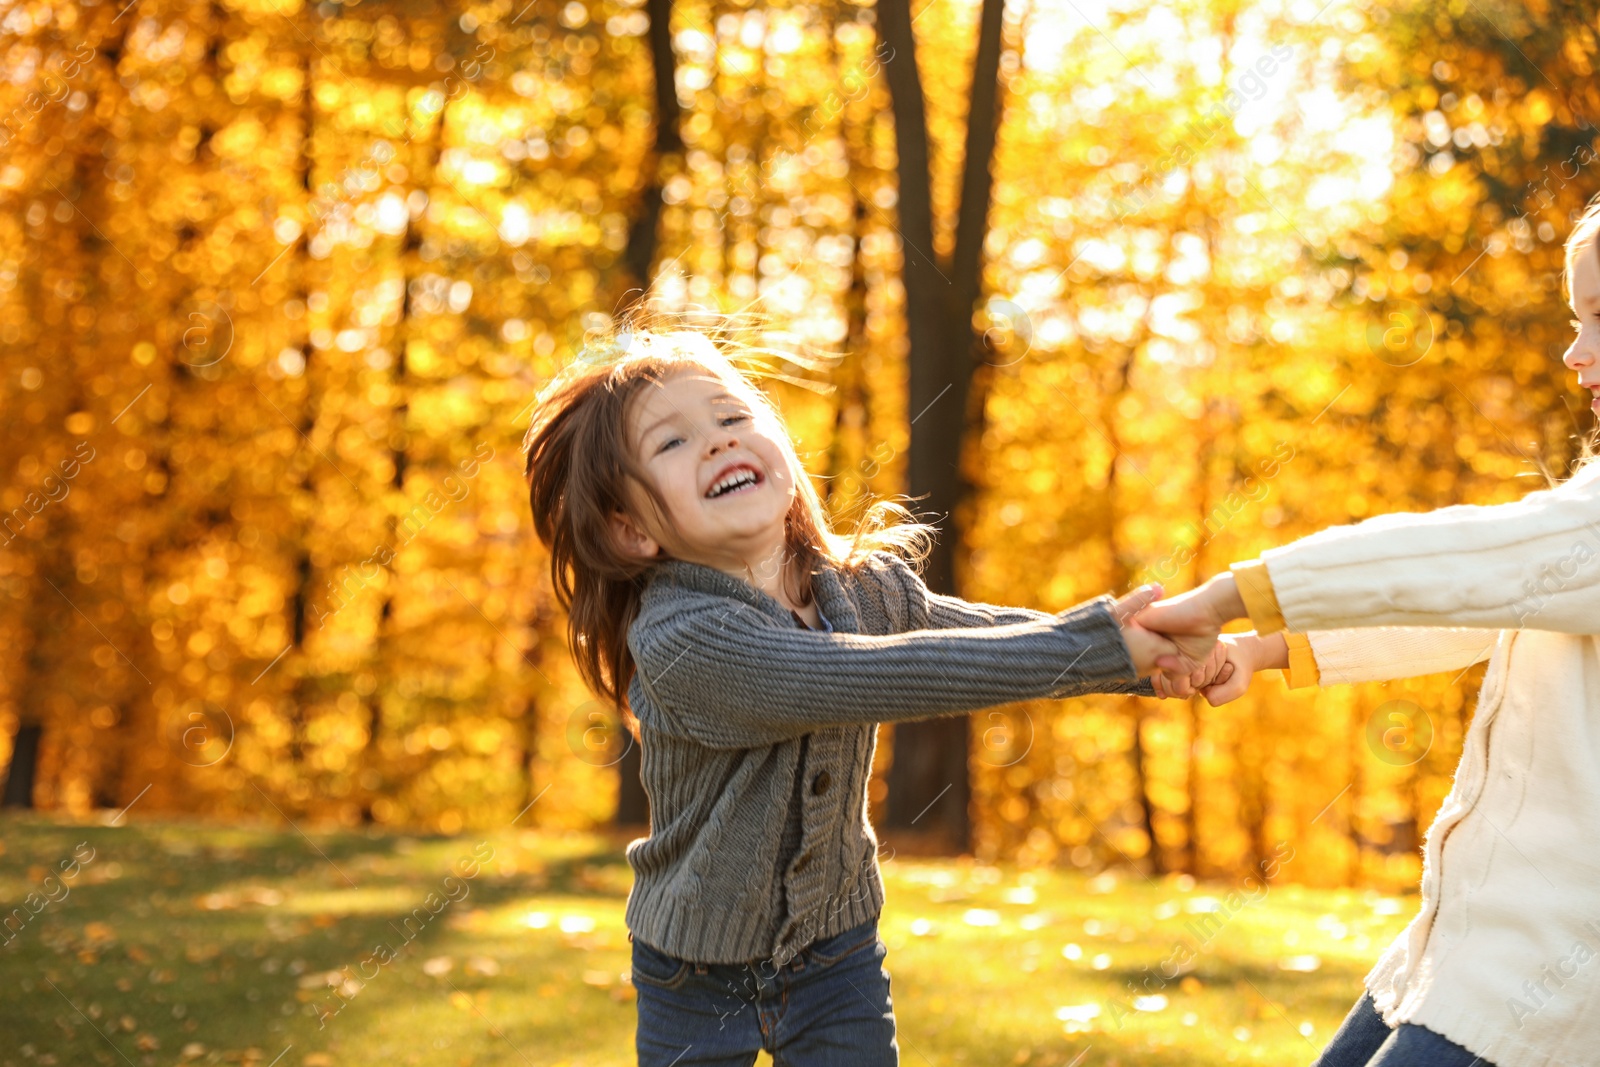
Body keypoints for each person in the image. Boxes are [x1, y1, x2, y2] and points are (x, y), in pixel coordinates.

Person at [522, 327, 1198, 1066]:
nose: (717, 442)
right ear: (632, 531)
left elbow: (994, 634)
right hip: (696, 966)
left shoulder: (864, 588)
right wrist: (1100, 644)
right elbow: (882, 672)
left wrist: (1149, 652)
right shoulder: (684, 637)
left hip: (835, 950)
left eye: (732, 417)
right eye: (672, 444)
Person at [1138, 199, 1600, 1067]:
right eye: (1577, 318)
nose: (1575, 354)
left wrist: (1229, 597)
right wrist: (1264, 647)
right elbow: (1467, 606)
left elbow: (1459, 561)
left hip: (1551, 985)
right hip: (1466, 948)